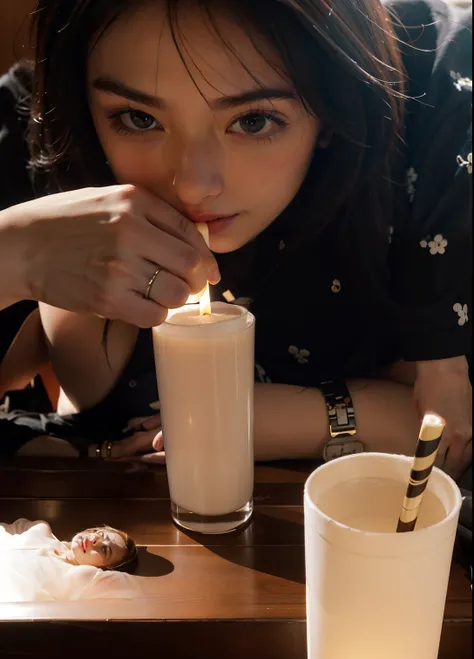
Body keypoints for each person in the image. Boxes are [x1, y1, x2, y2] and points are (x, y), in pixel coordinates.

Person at [0, 0, 471, 479]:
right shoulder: (38, 150)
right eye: (139, 118)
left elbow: (446, 431)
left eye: (253, 121)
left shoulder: (417, 167)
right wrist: (13, 253)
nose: (193, 184)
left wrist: (259, 419)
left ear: (332, 107)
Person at [0, 519, 139, 601]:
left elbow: (132, 589)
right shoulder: (41, 529)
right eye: (99, 533)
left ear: (105, 568)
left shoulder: (79, 577)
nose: (95, 539)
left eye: (105, 550)